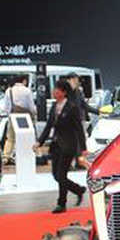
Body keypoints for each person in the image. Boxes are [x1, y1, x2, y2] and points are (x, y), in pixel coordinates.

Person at [35, 79, 87, 213]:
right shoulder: (54, 106)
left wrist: (83, 148)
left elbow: (79, 129)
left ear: (64, 92)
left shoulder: (72, 107)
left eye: (57, 90)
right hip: (56, 145)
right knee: (56, 175)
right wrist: (39, 142)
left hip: (69, 145)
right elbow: (48, 126)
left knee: (61, 175)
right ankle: (78, 189)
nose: (54, 92)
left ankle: (61, 203)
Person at [1, 74, 36, 164]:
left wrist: (9, 115)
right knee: (25, 137)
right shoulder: (27, 91)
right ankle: (24, 155)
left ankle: (6, 157)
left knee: (10, 138)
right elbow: (31, 106)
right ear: (24, 80)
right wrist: (34, 115)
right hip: (26, 117)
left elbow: (6, 107)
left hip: (13, 116)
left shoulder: (9, 91)